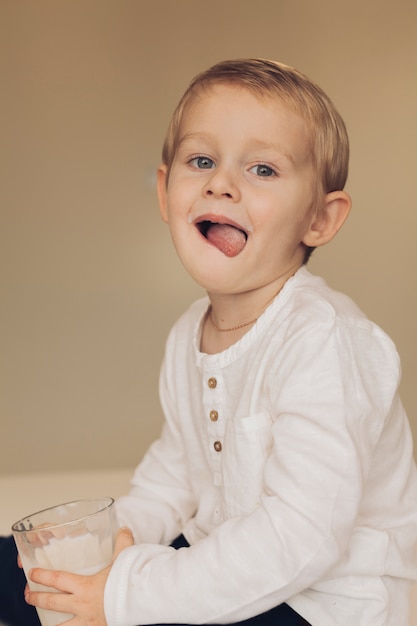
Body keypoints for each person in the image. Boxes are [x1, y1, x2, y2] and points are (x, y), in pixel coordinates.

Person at [3, 58, 417, 626]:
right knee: (25, 573)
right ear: (165, 190)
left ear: (320, 219)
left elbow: (303, 538)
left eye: (263, 170)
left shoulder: (324, 341)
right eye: (201, 161)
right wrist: (118, 541)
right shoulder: (187, 335)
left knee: (132, 605)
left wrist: (129, 593)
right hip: (218, 562)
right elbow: (173, 475)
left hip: (322, 598)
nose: (220, 183)